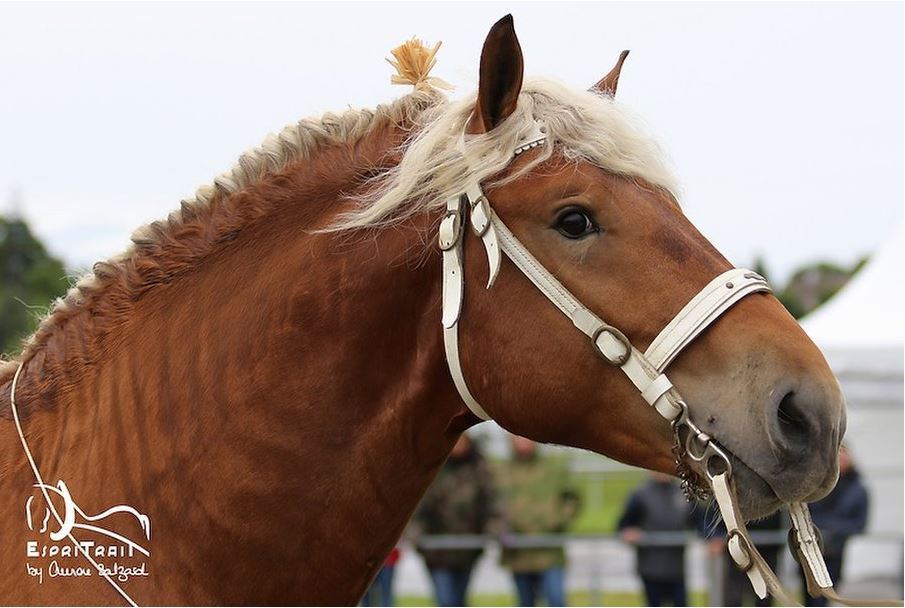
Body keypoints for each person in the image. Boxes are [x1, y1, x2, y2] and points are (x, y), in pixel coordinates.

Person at [410, 434, 500, 607]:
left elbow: (491, 502)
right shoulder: (432, 470)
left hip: (468, 550)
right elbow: (418, 507)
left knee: (458, 600)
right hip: (436, 551)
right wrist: (416, 531)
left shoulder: (478, 469)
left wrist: (493, 527)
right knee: (446, 600)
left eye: (462, 441)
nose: (458, 445)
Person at [496, 435, 581, 607]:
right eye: (517, 438)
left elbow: (573, 499)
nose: (523, 443)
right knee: (526, 602)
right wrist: (503, 527)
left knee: (556, 600)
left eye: (526, 438)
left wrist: (557, 519)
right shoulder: (500, 472)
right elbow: (491, 506)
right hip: (519, 554)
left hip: (549, 551)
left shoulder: (553, 469)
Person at [797, 444, 869, 607]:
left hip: (835, 551)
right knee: (809, 596)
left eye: (843, 453)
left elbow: (859, 524)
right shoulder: (814, 487)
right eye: (836, 454)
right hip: (810, 549)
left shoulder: (858, 490)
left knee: (826, 597)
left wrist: (830, 528)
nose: (840, 458)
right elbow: (805, 516)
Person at [617, 472, 702, 607]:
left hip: (676, 568)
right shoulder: (640, 495)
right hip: (651, 568)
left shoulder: (683, 493)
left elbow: (701, 522)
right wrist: (628, 532)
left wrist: (713, 538)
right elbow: (624, 525)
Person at [707, 510, 784, 606]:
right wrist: (717, 534)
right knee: (734, 595)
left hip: (766, 548)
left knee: (764, 596)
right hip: (737, 549)